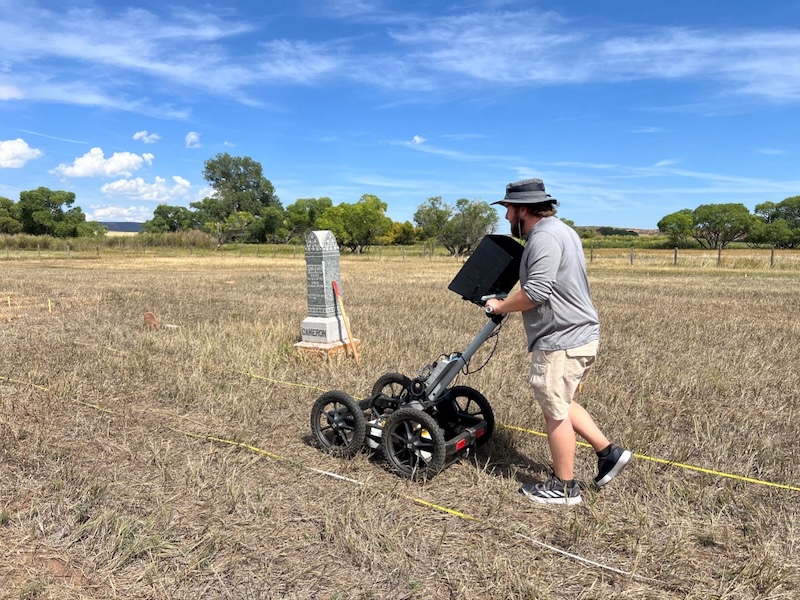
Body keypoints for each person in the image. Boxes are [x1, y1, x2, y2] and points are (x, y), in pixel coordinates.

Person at [485, 178, 631, 505]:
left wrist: (499, 305)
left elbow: (536, 293)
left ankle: (564, 487)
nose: (507, 217)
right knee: (562, 401)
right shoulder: (561, 230)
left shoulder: (544, 237)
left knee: (554, 412)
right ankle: (609, 453)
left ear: (524, 209)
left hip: (561, 338)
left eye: (509, 209)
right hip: (578, 334)